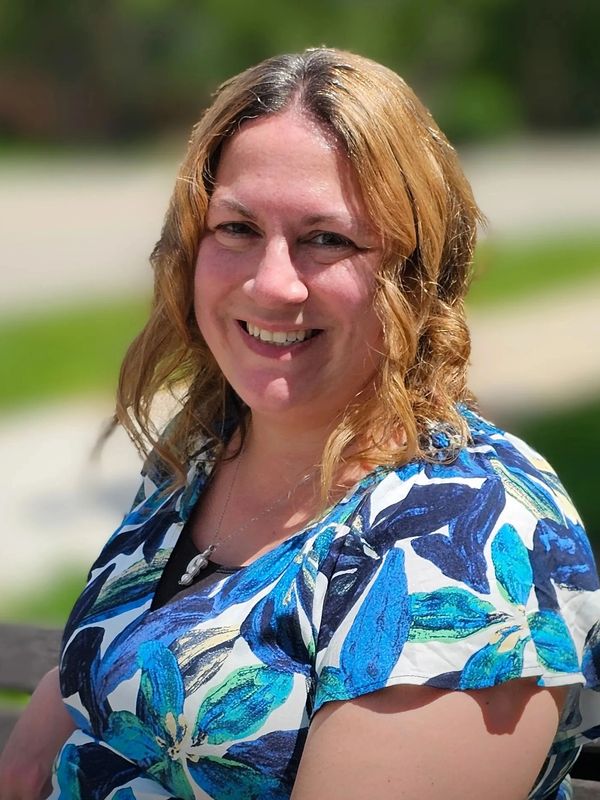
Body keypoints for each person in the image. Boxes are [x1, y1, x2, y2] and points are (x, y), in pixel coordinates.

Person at [1, 47, 599, 800]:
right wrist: (56, 708)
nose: (271, 283)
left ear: (417, 274)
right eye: (237, 228)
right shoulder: (209, 448)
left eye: (327, 240)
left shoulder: (462, 541)